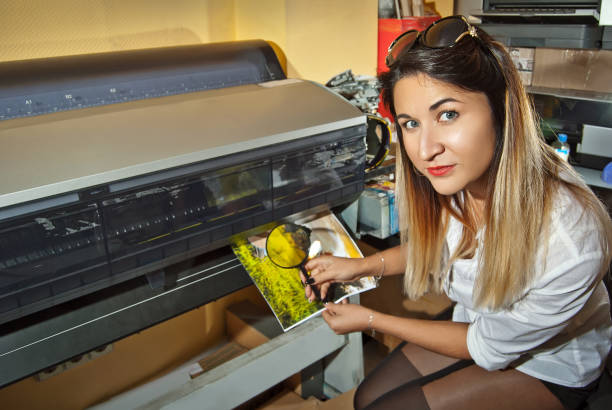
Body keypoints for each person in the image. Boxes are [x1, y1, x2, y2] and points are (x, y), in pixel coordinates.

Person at [302, 15, 612, 410]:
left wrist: (370, 320)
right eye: (411, 123)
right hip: (478, 319)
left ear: (501, 108)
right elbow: (438, 249)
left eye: (447, 114)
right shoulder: (455, 182)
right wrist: (358, 267)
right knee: (367, 398)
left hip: (550, 365)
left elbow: (485, 346)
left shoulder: (570, 238)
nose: (426, 149)